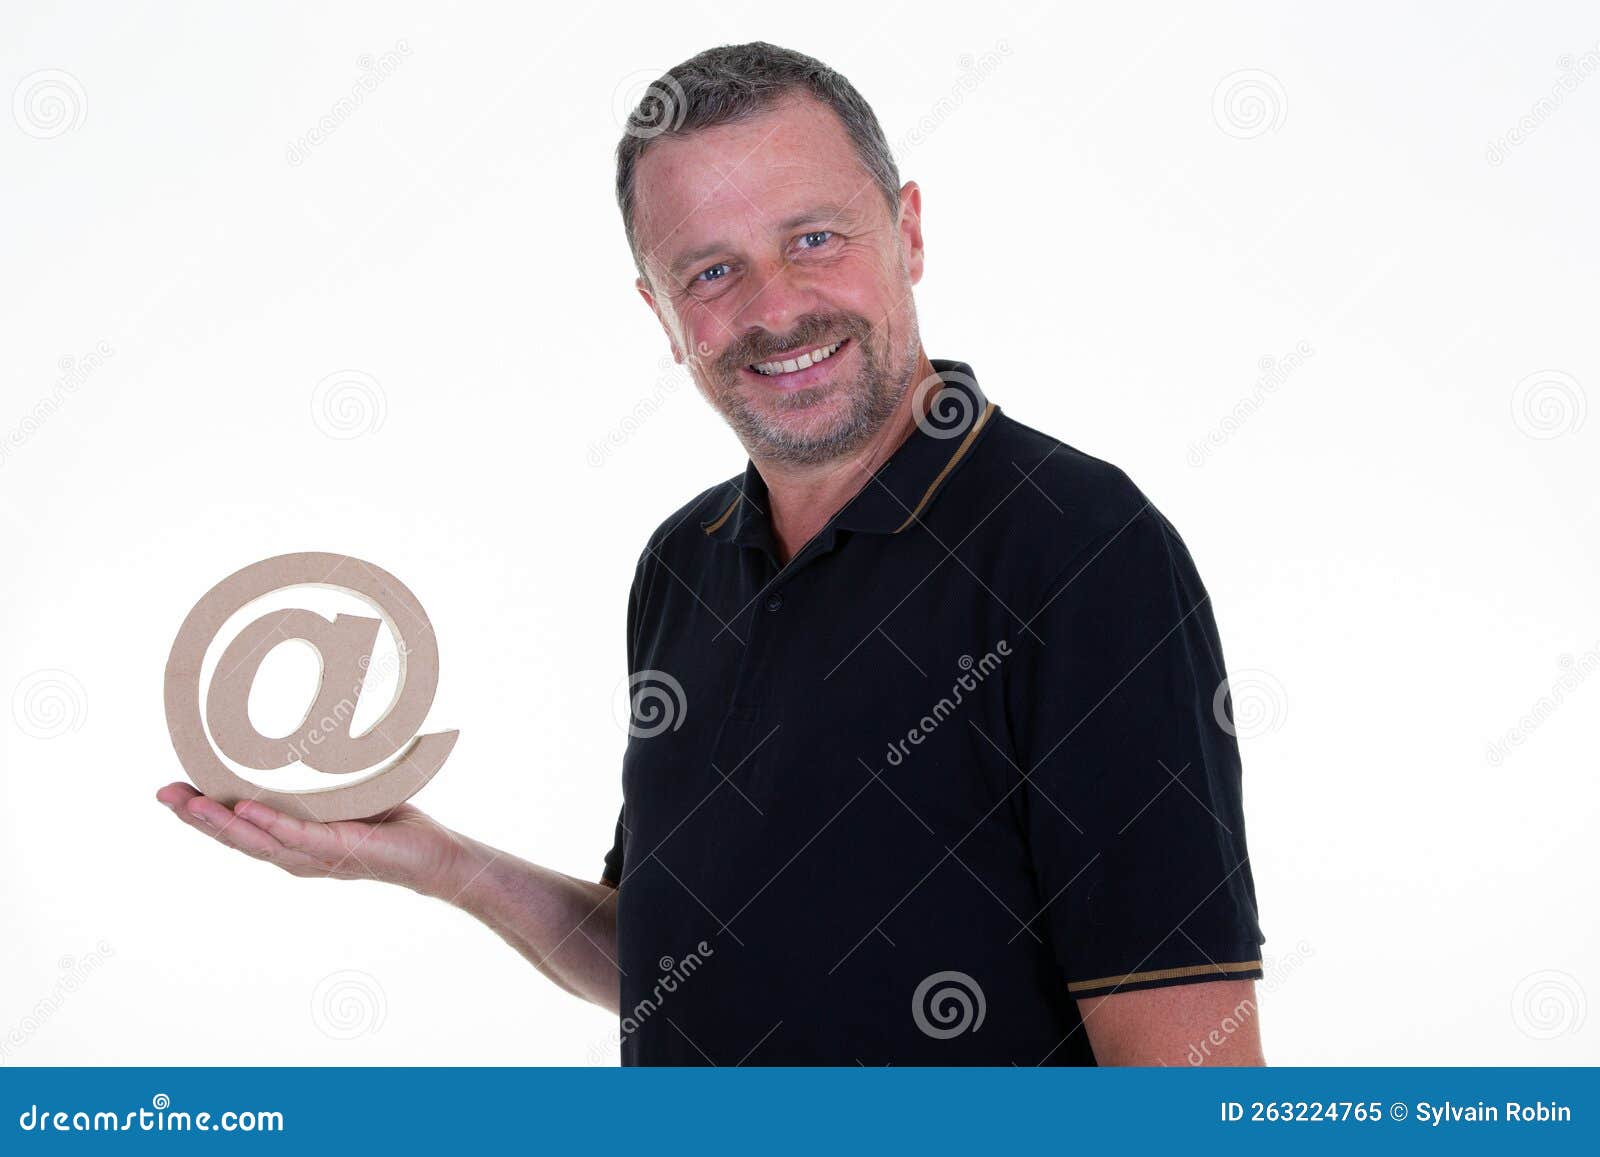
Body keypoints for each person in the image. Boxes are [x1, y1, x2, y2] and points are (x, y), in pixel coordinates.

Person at [158, 41, 1266, 1066]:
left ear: (910, 231)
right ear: (659, 309)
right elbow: (669, 972)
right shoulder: (683, 563)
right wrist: (442, 862)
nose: (775, 307)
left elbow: (1192, 1078)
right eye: (710, 272)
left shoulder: (1080, 550)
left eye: (815, 238)